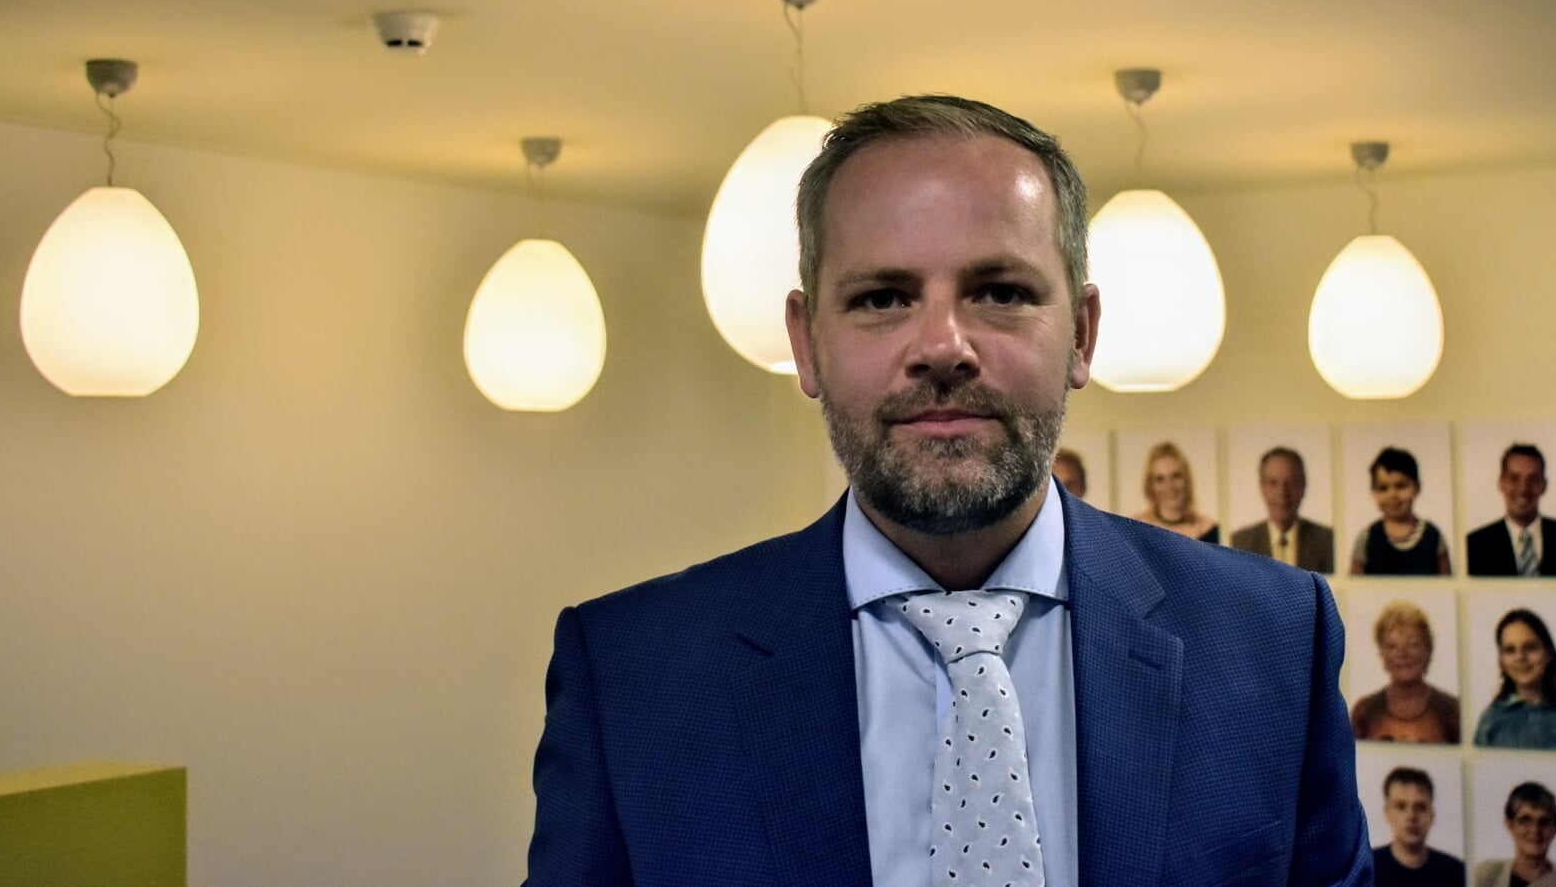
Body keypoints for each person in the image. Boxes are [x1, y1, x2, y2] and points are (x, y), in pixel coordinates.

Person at [523, 96, 1373, 885]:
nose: (942, 346)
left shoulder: (1269, 644)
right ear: (807, 343)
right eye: (883, 297)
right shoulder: (634, 676)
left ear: (1081, 334)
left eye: (999, 292)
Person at [1474, 608, 1556, 751]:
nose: (1520, 657)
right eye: (1510, 650)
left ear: (1548, 654)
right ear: (1501, 661)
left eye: (1530, 647)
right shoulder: (1490, 720)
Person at [1464, 445, 1556, 577]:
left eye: (1532, 479)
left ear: (1544, 485)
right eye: (1514, 479)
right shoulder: (1474, 546)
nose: (1523, 489)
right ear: (1501, 483)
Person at [1351, 601, 1461, 744]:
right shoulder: (1364, 712)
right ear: (1382, 654)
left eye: (1413, 644)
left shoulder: (1452, 711)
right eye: (1392, 646)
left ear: (1428, 650)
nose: (1403, 654)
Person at [1229, 447, 1335, 572]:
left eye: (1291, 482)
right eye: (1273, 483)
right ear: (1262, 487)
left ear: (1303, 485)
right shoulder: (1238, 544)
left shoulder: (1329, 541)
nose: (1282, 493)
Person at [1350, 447, 1452, 576]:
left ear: (1417, 488)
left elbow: (1447, 587)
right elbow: (1353, 588)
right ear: (1373, 492)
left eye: (1400, 486)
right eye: (1383, 488)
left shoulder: (1433, 537)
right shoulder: (1367, 537)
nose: (1392, 495)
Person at [1371, 767, 1465, 887]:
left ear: (1431, 815)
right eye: (1401, 806)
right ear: (1387, 813)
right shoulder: (1367, 868)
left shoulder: (1455, 872)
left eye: (1420, 807)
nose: (1411, 816)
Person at [1472, 783, 1556, 887]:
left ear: (1555, 828)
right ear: (1510, 825)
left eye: (1544, 821)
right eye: (1525, 820)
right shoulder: (1486, 877)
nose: (1535, 829)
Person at [1132, 440, 1219, 543]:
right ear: (1150, 486)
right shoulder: (1133, 530)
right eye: (1159, 479)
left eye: (1176, 476)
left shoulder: (1210, 531)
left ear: (1187, 479)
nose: (1169, 487)